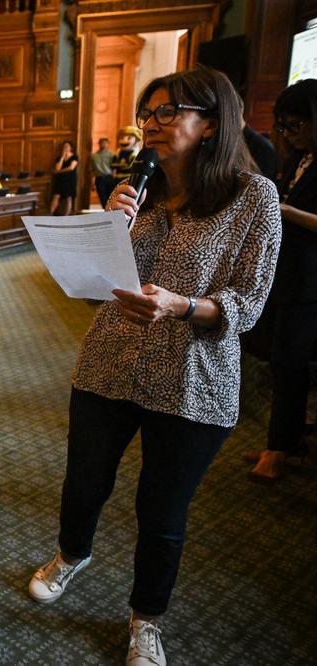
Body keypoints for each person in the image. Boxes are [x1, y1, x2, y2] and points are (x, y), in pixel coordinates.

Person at [27, 67, 281, 666]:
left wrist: (182, 305)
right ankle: (71, 554)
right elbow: (99, 290)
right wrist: (110, 226)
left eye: (168, 112)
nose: (152, 124)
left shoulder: (253, 197)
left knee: (161, 510)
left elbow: (249, 303)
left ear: (212, 121)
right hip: (111, 361)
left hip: (193, 377)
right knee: (84, 481)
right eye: (148, 114)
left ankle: (147, 618)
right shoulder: (134, 189)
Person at [248, 79, 317, 482]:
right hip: (285, 270)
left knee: (290, 361)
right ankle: (284, 441)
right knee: (279, 358)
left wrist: (281, 209)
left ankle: (277, 449)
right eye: (284, 126)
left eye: (296, 125)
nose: (288, 134)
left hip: (310, 279)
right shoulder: (300, 159)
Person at [49, 140, 78, 215]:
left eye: (67, 146)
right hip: (60, 180)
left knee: (68, 198)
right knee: (56, 196)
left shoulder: (74, 156)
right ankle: (51, 214)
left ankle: (66, 216)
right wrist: (62, 157)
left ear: (71, 148)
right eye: (64, 146)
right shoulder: (59, 157)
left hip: (70, 180)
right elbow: (58, 168)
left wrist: (59, 172)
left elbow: (71, 168)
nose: (66, 147)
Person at [91, 137, 116, 208]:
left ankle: (111, 212)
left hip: (109, 177)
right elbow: (92, 171)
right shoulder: (94, 156)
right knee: (102, 197)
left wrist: (114, 178)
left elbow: (114, 168)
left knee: (111, 196)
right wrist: (92, 183)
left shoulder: (112, 154)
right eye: (102, 143)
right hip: (99, 178)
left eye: (105, 143)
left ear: (108, 144)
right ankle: (105, 211)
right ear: (99, 144)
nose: (103, 145)